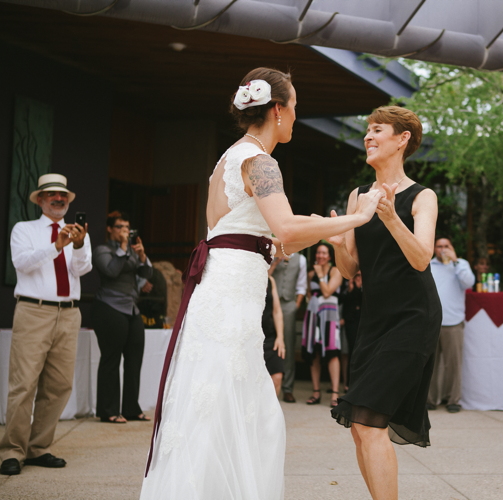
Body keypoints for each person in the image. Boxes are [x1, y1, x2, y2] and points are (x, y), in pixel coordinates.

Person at [140, 68, 383, 499]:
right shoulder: (259, 160)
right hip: (229, 304)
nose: (295, 116)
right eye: (294, 106)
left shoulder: (227, 159)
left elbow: (257, 235)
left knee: (218, 413)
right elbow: (285, 228)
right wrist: (359, 217)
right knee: (241, 415)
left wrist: (298, 236)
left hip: (222, 293)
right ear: (277, 109)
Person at [329, 105, 441, 500]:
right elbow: (349, 270)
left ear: (402, 139)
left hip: (413, 316)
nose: (368, 137)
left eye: (377, 130)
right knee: (359, 424)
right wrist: (338, 242)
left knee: (372, 422)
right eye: (367, 131)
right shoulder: (357, 195)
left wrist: (392, 217)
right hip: (374, 320)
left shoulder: (422, 196)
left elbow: (421, 258)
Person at [0, 174, 92, 476]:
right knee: (24, 383)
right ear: (40, 199)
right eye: (51, 194)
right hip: (33, 311)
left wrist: (76, 246)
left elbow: (82, 269)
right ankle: (12, 451)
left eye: (63, 195)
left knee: (59, 385)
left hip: (69, 313)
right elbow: (22, 263)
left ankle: (39, 448)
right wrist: (56, 245)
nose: (59, 199)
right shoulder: (24, 229)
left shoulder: (80, 233)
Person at [92, 211, 153, 424]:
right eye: (120, 227)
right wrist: (124, 248)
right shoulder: (102, 250)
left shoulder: (133, 252)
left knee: (134, 358)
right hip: (109, 306)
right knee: (111, 359)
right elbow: (111, 271)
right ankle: (108, 410)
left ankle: (130, 408)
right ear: (110, 229)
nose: (125, 231)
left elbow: (146, 275)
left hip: (132, 308)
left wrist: (143, 256)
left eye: (127, 227)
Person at [427, 238, 475, 413]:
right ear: (434, 249)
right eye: (439, 246)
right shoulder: (428, 264)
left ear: (452, 248)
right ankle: (429, 399)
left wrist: (455, 261)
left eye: (446, 246)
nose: (443, 249)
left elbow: (469, 283)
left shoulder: (461, 264)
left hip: (453, 322)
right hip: (431, 322)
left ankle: (453, 399)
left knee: (453, 364)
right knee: (429, 364)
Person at [302, 243, 343, 407]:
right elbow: (309, 294)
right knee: (314, 353)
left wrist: (320, 275)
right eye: (318, 252)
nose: (320, 256)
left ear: (330, 256)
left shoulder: (336, 271)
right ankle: (316, 391)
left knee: (332, 353)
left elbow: (327, 292)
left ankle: (334, 393)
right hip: (313, 315)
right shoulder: (310, 273)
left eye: (324, 253)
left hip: (330, 316)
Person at [270, 251, 307, 403]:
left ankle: (287, 388)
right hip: (270, 303)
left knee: (289, 346)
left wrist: (296, 305)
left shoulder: (301, 259)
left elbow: (302, 285)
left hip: (288, 305)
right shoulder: (273, 254)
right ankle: (268, 385)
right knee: (268, 342)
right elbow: (264, 277)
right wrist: (276, 262)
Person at [262, 276, 286, 395]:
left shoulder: (270, 280)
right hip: (251, 337)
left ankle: (270, 414)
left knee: (277, 377)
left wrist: (280, 337)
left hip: (270, 337)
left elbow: (276, 310)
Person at [340, 271, 363, 393]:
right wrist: (352, 289)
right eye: (356, 275)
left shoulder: (366, 285)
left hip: (364, 323)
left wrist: (359, 289)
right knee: (351, 352)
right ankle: (348, 383)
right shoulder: (349, 286)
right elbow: (345, 302)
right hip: (351, 323)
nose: (358, 278)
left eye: (360, 275)